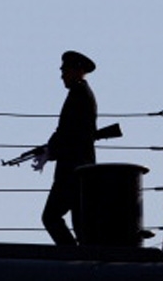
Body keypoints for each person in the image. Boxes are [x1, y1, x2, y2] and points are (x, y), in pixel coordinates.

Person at [36, 50, 98, 246]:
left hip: (72, 170)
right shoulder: (81, 93)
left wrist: (50, 150)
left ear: (77, 70)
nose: (62, 75)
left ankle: (70, 254)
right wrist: (49, 149)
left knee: (51, 217)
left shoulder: (78, 94)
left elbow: (69, 133)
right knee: (79, 224)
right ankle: (78, 256)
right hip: (80, 169)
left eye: (65, 71)